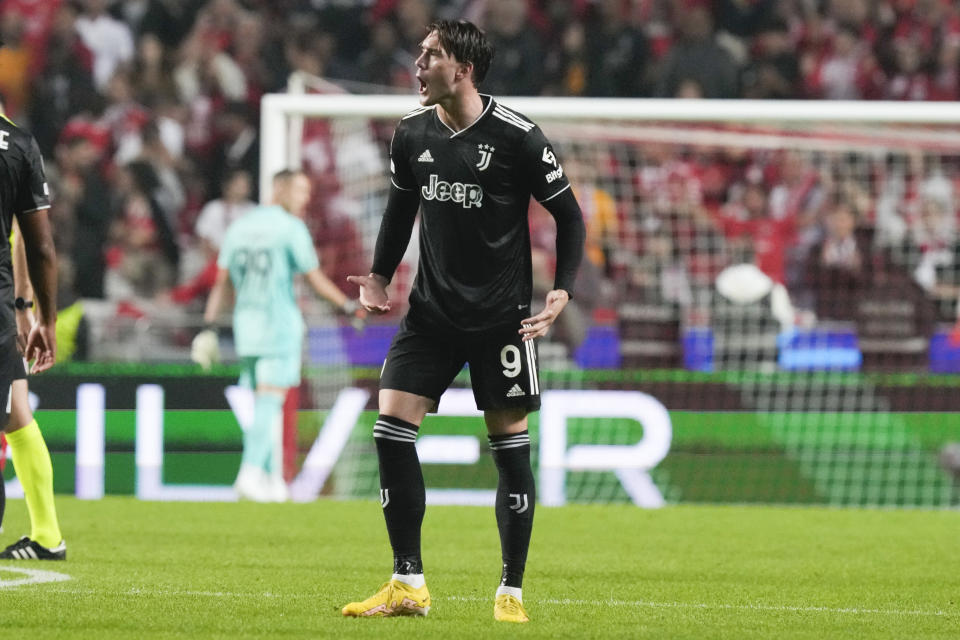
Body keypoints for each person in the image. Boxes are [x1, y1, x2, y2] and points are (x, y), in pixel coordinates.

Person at [342, 20, 585, 623]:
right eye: (420, 54)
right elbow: (401, 210)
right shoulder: (411, 133)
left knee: (508, 450)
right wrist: (378, 275)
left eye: (431, 56)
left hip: (502, 321)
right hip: (430, 313)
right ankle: (407, 582)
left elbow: (570, 218)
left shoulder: (518, 138)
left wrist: (562, 292)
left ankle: (511, 592)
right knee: (390, 429)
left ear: (463, 69)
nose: (418, 65)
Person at [198, 169, 360, 503]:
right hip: (279, 326)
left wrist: (209, 327)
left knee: (263, 404)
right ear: (281, 189)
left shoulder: (239, 227)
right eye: (300, 191)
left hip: (246, 328)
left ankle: (272, 480)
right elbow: (313, 279)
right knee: (270, 403)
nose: (304, 199)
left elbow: (222, 282)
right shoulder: (290, 229)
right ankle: (249, 473)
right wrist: (346, 305)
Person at [0, 116, 60, 559]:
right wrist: (38, 313)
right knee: (15, 413)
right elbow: (35, 241)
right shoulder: (18, 143)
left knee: (14, 414)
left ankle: (47, 536)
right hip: (1, 302)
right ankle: (48, 537)